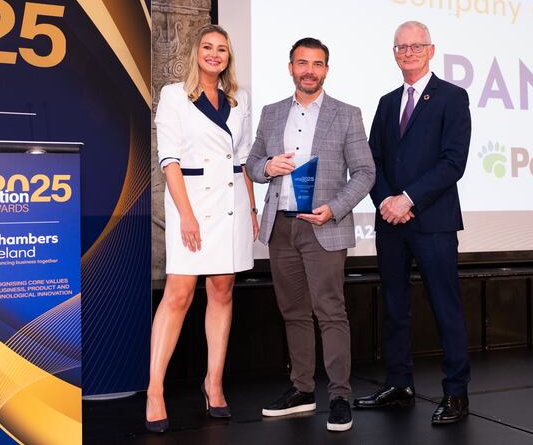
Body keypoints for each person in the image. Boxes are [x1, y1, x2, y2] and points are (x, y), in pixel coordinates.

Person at [246, 37, 374, 432]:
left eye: (317, 64)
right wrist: (268, 167)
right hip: (282, 227)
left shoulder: (347, 114)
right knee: (294, 313)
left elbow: (366, 173)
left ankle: (339, 396)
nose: (309, 70)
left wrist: (333, 209)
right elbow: (251, 165)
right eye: (302, 63)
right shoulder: (271, 114)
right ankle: (302, 390)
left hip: (324, 227)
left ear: (326, 70)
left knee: (331, 313)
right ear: (290, 68)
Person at [354, 21, 472, 424]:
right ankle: (399, 385)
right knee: (394, 308)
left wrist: (408, 199)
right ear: (393, 54)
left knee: (445, 307)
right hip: (391, 224)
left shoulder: (453, 98)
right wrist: (387, 200)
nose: (408, 52)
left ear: (431, 50)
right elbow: (374, 160)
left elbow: (453, 162)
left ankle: (456, 393)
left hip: (433, 222)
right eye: (401, 47)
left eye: (415, 46)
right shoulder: (387, 103)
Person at [146, 24, 259, 432]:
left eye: (222, 49)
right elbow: (169, 160)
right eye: (208, 47)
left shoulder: (239, 98)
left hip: (232, 204)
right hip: (188, 202)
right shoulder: (174, 96)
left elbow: (243, 158)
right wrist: (187, 215)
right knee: (178, 292)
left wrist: (251, 207)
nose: (215, 54)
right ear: (196, 52)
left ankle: (213, 383)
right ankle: (155, 389)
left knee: (223, 287)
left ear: (229, 57)